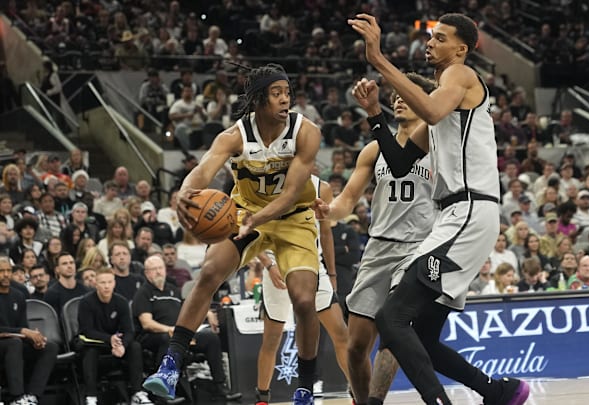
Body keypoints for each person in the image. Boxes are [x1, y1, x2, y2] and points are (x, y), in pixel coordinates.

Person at [348, 12, 529, 405]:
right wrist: (376, 115)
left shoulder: (460, 76)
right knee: (422, 337)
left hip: (468, 211)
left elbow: (429, 110)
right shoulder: (444, 110)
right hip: (457, 215)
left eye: (440, 38)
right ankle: (499, 392)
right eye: (430, 37)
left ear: (461, 49)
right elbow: (399, 164)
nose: (430, 43)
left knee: (391, 318)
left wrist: (378, 59)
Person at [143, 63, 323, 405]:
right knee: (210, 271)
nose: (286, 100)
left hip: (293, 218)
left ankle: (305, 386)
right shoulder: (234, 136)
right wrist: (184, 193)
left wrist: (255, 220)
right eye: (277, 94)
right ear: (257, 100)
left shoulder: (306, 132)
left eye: (287, 93)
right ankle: (170, 365)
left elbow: (289, 195)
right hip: (244, 214)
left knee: (302, 300)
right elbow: (204, 169)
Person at [313, 72, 436, 405]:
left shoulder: (439, 143)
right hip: (379, 246)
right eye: (394, 94)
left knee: (394, 327)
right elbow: (348, 199)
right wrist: (328, 210)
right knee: (355, 348)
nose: (397, 98)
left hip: (419, 247)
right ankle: (361, 399)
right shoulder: (374, 150)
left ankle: (375, 402)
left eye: (406, 94)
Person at [256, 177, 350, 404]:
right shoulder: (263, 181)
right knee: (271, 339)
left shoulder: (322, 188)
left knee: (341, 334)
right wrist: (268, 265)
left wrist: (333, 274)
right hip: (276, 266)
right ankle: (262, 399)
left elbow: (326, 233)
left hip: (313, 267)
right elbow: (251, 229)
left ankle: (360, 394)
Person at [132, 255, 235, 400]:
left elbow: (188, 311)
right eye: (153, 269)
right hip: (154, 336)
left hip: (178, 333)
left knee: (210, 338)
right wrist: (169, 329)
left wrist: (207, 312)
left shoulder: (173, 290)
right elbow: (147, 323)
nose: (158, 272)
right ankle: (165, 390)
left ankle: (220, 387)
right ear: (147, 273)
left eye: (160, 268)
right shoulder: (143, 293)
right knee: (167, 340)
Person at [77, 267, 152, 405]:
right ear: (96, 284)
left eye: (109, 282)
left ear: (114, 283)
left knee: (135, 346)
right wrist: (109, 340)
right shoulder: (86, 302)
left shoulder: (121, 302)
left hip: (116, 343)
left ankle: (137, 393)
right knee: (90, 351)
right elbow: (86, 331)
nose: (106, 286)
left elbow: (129, 331)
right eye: (103, 283)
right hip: (95, 343)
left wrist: (122, 345)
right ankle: (91, 396)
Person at [0, 256, 59, 405]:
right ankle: (17, 396)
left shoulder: (18, 295)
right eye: (1, 271)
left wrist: (35, 340)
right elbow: (21, 330)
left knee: (50, 346)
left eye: (8, 271)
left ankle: (31, 396)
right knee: (14, 343)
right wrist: (24, 332)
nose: (6, 274)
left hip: (15, 343)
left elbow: (22, 326)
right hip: (4, 344)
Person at [43, 251, 89, 317]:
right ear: (57, 269)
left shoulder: (85, 290)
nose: (69, 266)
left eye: (72, 263)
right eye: (65, 264)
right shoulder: (51, 293)